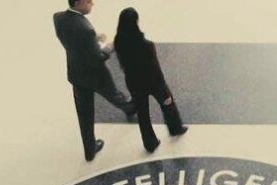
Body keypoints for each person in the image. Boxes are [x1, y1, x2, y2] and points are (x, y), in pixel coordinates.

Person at [53, 0, 137, 162]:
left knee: (84, 114)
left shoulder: (58, 18)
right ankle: (129, 108)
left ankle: (89, 149)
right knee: (113, 94)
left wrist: (93, 39)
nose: (92, 3)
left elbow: (72, 39)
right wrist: (110, 46)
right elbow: (98, 57)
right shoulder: (85, 29)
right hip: (96, 75)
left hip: (76, 74)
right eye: (88, 1)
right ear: (78, 3)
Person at [114, 7, 188, 153]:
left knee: (143, 114)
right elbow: (155, 69)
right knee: (168, 104)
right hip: (153, 83)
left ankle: (150, 142)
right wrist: (165, 91)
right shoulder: (146, 45)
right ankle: (175, 128)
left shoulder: (118, 42)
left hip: (134, 83)